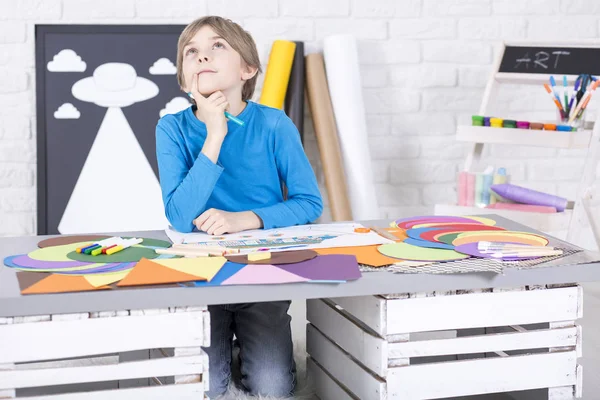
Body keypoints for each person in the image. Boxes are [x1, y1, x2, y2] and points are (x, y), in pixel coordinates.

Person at [155, 16, 323, 398]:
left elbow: (309, 202)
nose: (202, 57)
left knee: (274, 387)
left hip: (260, 274)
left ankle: (246, 345)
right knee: (210, 389)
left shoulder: (274, 124)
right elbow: (179, 217)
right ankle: (228, 349)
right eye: (191, 52)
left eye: (217, 47)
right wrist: (215, 135)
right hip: (201, 279)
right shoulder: (172, 129)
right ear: (184, 79)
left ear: (247, 69)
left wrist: (244, 219)